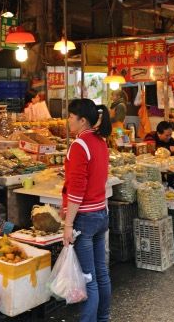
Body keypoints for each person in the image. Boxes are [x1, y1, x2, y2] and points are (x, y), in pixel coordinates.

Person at [61, 98, 112, 322]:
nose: (67, 121)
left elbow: (77, 190)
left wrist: (68, 224)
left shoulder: (79, 146)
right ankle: (103, 318)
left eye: (71, 117)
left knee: (88, 278)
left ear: (82, 120)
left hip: (85, 218)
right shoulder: (100, 141)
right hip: (101, 214)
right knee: (101, 274)